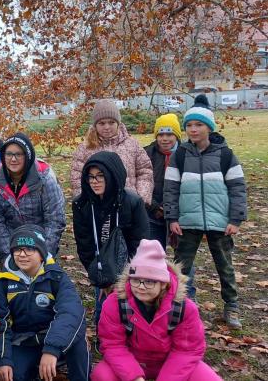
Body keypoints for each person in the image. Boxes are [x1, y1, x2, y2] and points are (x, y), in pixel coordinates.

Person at [165, 94, 247, 329]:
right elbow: (171, 188)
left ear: (209, 127)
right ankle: (177, 306)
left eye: (198, 125)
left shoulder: (225, 155)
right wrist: (172, 217)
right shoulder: (180, 155)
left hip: (219, 222)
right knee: (181, 267)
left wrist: (235, 218)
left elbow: (237, 187)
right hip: (187, 221)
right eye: (189, 125)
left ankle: (231, 306)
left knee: (225, 265)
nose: (193, 129)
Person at [92, 240, 221, 381]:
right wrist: (134, 376)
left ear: (164, 284)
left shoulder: (184, 308)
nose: (140, 287)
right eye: (135, 280)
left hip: (170, 362)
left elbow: (187, 350)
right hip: (132, 361)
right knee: (102, 375)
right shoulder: (115, 303)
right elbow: (112, 345)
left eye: (149, 282)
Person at [0, 226, 90, 381]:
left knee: (78, 344)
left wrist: (52, 349)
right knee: (12, 374)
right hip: (24, 340)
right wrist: (2, 359)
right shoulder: (3, 281)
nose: (22, 254)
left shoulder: (57, 278)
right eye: (17, 249)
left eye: (30, 249)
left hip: (55, 339)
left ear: (41, 254)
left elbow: (71, 313)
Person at [72, 151, 149, 327]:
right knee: (105, 312)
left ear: (112, 175)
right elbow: (84, 244)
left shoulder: (132, 202)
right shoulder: (81, 204)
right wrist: (101, 278)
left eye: (100, 176)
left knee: (131, 314)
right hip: (101, 269)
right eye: (90, 177)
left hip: (130, 271)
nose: (94, 181)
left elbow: (140, 243)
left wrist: (124, 279)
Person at [0, 133, 66, 260]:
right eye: (9, 154)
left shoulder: (44, 179)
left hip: (41, 242)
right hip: (12, 245)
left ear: (28, 156)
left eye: (19, 154)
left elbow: (55, 219)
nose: (13, 159)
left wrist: (43, 254)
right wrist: (9, 256)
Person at [70, 99, 153, 203]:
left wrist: (141, 198)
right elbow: (77, 177)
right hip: (97, 205)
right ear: (95, 125)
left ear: (118, 123)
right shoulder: (85, 148)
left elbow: (145, 171)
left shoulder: (132, 144)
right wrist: (86, 201)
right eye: (102, 123)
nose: (107, 127)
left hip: (128, 204)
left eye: (111, 122)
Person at [143, 113, 182, 248]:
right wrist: (154, 206)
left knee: (183, 258)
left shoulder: (186, 154)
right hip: (152, 213)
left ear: (177, 136)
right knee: (153, 252)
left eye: (169, 134)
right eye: (160, 135)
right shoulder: (146, 154)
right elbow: (142, 182)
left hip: (179, 214)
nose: (164, 139)